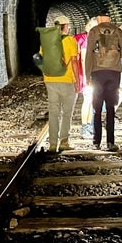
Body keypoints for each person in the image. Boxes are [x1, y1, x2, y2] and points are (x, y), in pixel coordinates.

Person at [85, 13, 122, 151]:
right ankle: (110, 142)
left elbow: (89, 55)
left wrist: (87, 75)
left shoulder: (93, 31)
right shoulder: (118, 31)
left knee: (97, 109)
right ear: (110, 20)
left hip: (97, 73)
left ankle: (96, 141)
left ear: (98, 20)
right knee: (110, 108)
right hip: (114, 73)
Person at [42, 15, 79, 153]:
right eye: (68, 25)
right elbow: (74, 61)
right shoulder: (70, 41)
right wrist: (77, 81)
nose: (69, 27)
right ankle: (64, 141)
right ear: (64, 26)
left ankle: (52, 144)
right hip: (66, 80)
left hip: (51, 80)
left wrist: (46, 77)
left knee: (53, 113)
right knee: (67, 113)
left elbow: (41, 60)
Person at [77, 17, 99, 137]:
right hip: (88, 77)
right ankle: (84, 127)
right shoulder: (87, 42)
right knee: (87, 101)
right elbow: (85, 59)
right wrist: (87, 78)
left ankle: (89, 125)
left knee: (91, 101)